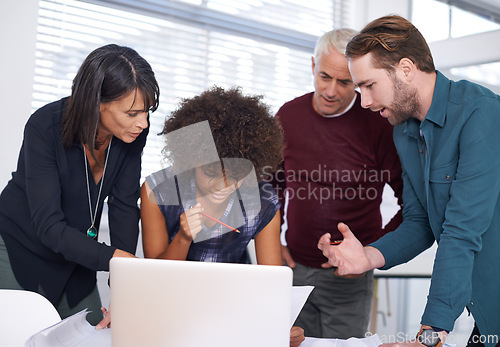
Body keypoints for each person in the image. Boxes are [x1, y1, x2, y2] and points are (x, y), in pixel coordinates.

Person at [318, 15, 500, 347]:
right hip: (486, 311)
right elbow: (421, 223)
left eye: (369, 85)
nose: (365, 102)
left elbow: (461, 230)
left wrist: (429, 335)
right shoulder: (403, 131)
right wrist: (369, 256)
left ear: (405, 69)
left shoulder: (481, 114)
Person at [0, 44, 160, 326]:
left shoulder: (130, 135)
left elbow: (123, 206)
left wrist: (123, 285)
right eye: (133, 113)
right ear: (97, 104)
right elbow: (48, 226)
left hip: (76, 254)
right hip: (20, 246)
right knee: (23, 332)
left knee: (97, 334)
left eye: (146, 112)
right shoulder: (45, 126)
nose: (143, 123)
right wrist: (112, 257)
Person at [140, 86, 304, 347]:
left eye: (236, 175)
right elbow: (156, 280)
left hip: (233, 309)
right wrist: (183, 237)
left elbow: (271, 284)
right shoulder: (158, 191)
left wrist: (279, 327)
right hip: (173, 310)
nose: (223, 187)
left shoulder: (263, 201)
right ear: (191, 160)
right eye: (211, 174)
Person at [270, 29, 404, 339]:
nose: (331, 91)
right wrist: (273, 241)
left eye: (345, 82)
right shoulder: (288, 116)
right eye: (324, 76)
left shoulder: (378, 122)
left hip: (348, 279)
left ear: (357, 79)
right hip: (294, 270)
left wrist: (372, 251)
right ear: (313, 65)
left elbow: (411, 203)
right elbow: (271, 186)